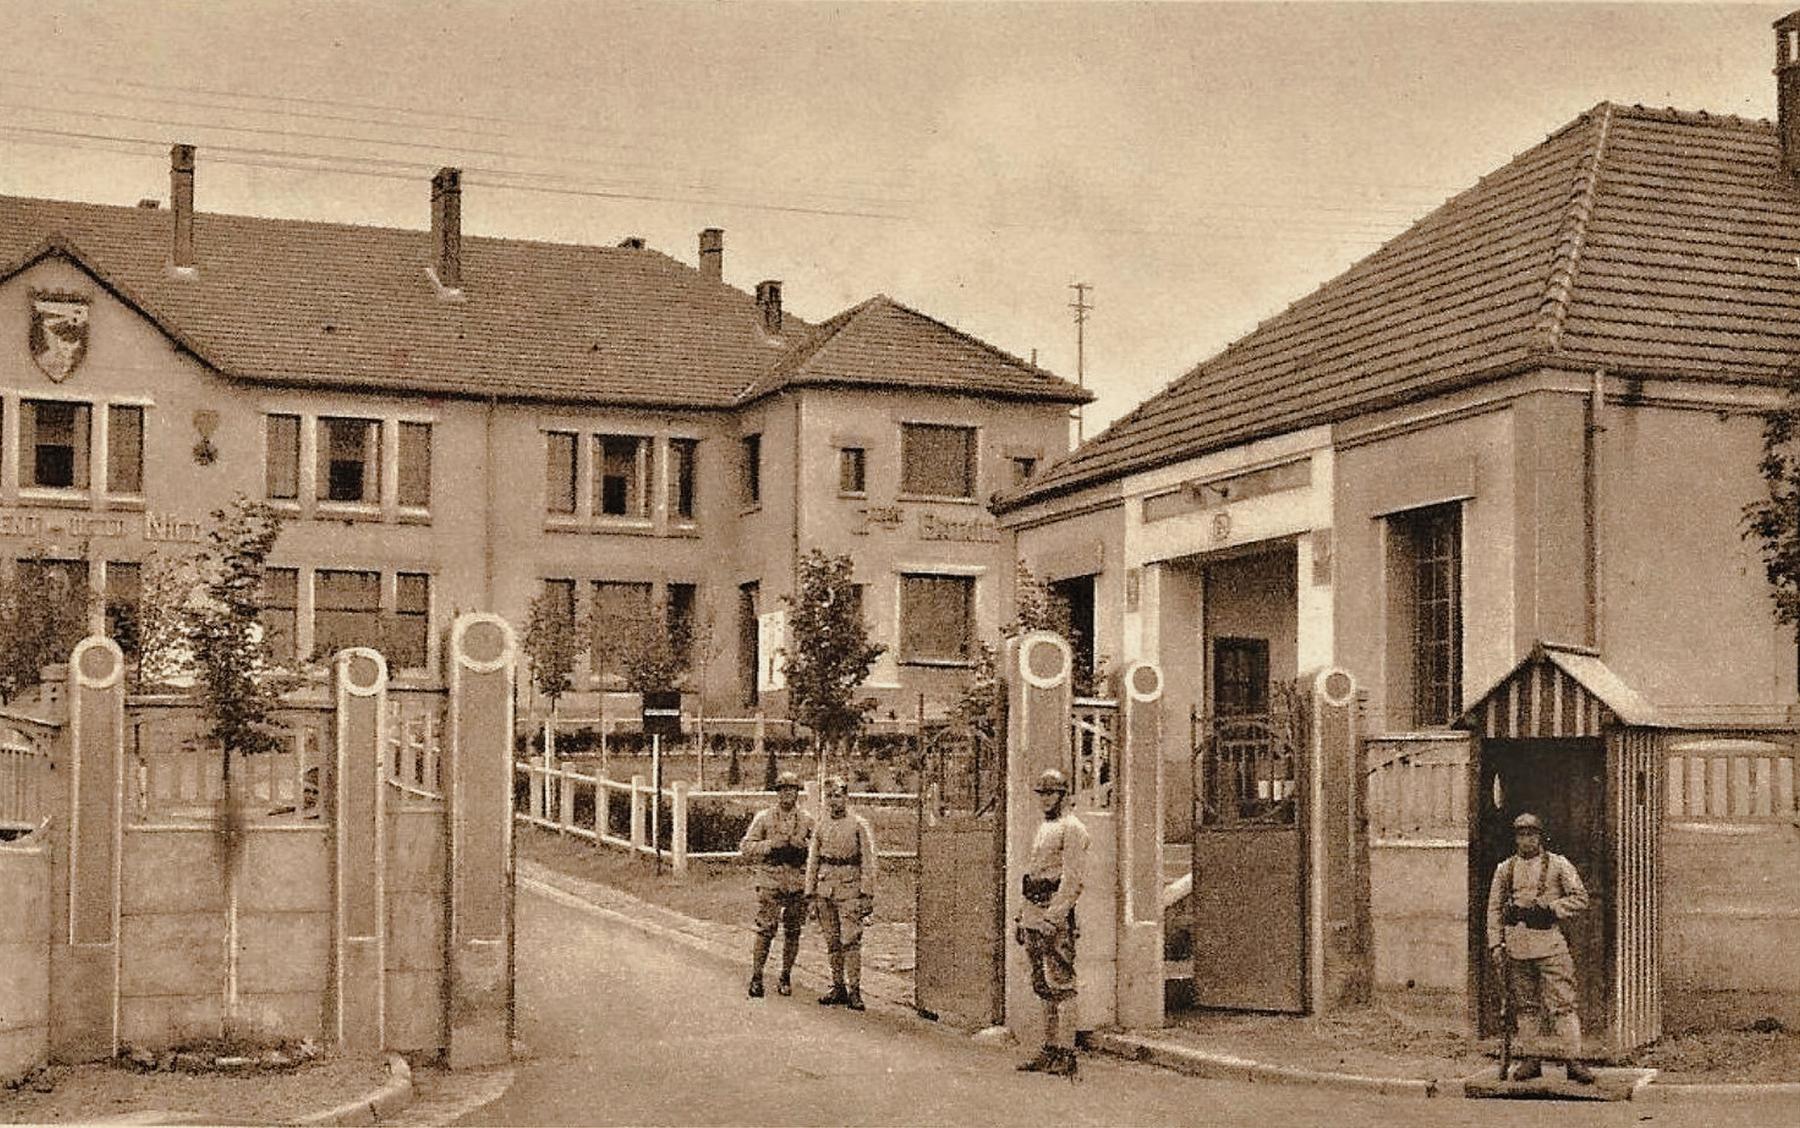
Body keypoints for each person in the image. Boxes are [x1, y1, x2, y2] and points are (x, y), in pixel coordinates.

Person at [1486, 811, 1594, 1084]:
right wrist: (1496, 944)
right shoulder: (1505, 869)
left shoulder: (1559, 865)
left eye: (1531, 834)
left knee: (1562, 1004)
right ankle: (1531, 1058)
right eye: (1521, 835)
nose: (1526, 841)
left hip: (1550, 945)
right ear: (1515, 838)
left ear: (1540, 836)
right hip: (1516, 947)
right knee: (1526, 1007)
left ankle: (1573, 1060)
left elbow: (1580, 898)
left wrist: (1551, 908)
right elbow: (1494, 910)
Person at [1015, 767, 1089, 1079]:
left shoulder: (1072, 828)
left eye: (1051, 793)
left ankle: (1067, 1053)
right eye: (1041, 794)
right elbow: (1032, 875)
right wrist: (1022, 917)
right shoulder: (1046, 828)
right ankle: (1049, 1048)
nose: (1045, 799)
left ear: (1063, 795)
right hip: (1034, 912)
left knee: (1062, 984)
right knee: (1042, 985)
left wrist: (1053, 918)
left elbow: (1072, 881)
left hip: (1053, 915)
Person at [738, 770, 814, 999]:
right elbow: (746, 846)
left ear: (797, 793)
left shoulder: (808, 820)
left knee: (793, 931)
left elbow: (818, 848)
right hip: (771, 879)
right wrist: (771, 845)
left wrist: (804, 846)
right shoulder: (764, 818)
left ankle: (785, 976)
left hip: (796, 881)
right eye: (783, 790)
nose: (787, 794)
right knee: (766, 929)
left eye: (791, 789)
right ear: (777, 793)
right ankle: (757, 977)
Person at [805, 775, 878, 1011]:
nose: (834, 801)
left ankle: (855, 990)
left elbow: (868, 861)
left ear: (846, 797)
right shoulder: (821, 824)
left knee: (851, 941)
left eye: (838, 795)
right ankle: (838, 987)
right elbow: (813, 860)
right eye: (830, 797)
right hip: (825, 889)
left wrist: (867, 893)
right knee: (832, 941)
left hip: (850, 889)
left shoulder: (858, 825)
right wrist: (810, 893)